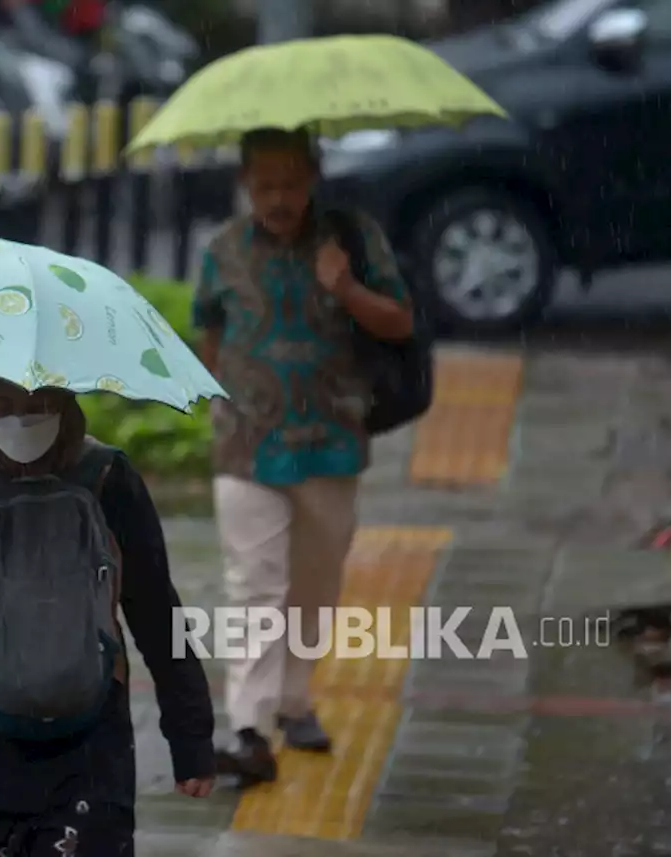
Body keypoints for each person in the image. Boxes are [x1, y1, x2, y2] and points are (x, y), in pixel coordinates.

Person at [0, 377, 216, 856]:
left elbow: (157, 609)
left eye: (40, 403)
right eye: (5, 404)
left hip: (86, 744)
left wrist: (191, 738)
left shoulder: (107, 478)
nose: (22, 417)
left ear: (66, 404)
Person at [193, 127, 415, 786]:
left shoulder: (352, 238)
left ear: (314, 177)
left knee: (314, 587)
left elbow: (401, 321)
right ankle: (248, 726)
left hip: (330, 441)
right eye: (265, 185)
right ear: (245, 185)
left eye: (291, 183)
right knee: (252, 585)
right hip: (246, 442)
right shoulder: (223, 250)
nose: (279, 197)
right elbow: (208, 329)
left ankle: (295, 700)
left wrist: (346, 287)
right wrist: (217, 399)